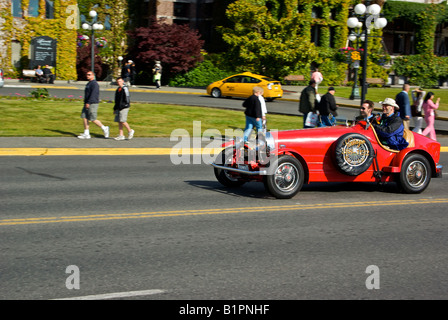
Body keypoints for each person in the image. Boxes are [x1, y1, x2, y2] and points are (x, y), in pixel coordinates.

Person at [78, 71, 109, 139]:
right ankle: (86, 133)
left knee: (93, 119)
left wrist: (89, 102)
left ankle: (104, 128)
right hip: (87, 103)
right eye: (87, 74)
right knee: (85, 117)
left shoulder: (94, 84)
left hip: (92, 103)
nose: (87, 76)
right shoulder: (89, 83)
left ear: (93, 76)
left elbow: (93, 94)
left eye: (89, 75)